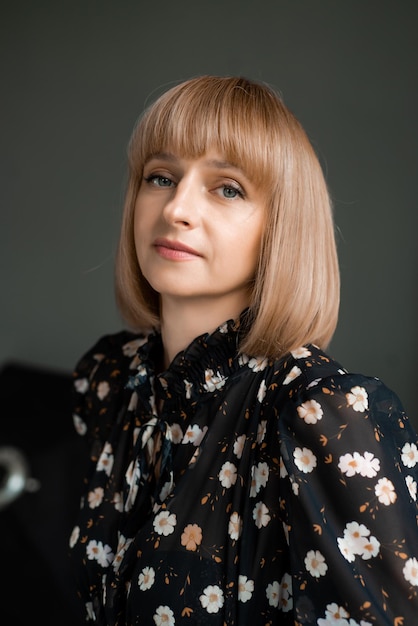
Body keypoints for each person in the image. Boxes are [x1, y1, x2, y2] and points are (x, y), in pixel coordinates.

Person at [69, 75, 418, 625]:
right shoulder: (111, 380)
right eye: (160, 177)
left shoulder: (323, 414)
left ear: (280, 227)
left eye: (227, 188)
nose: (176, 208)